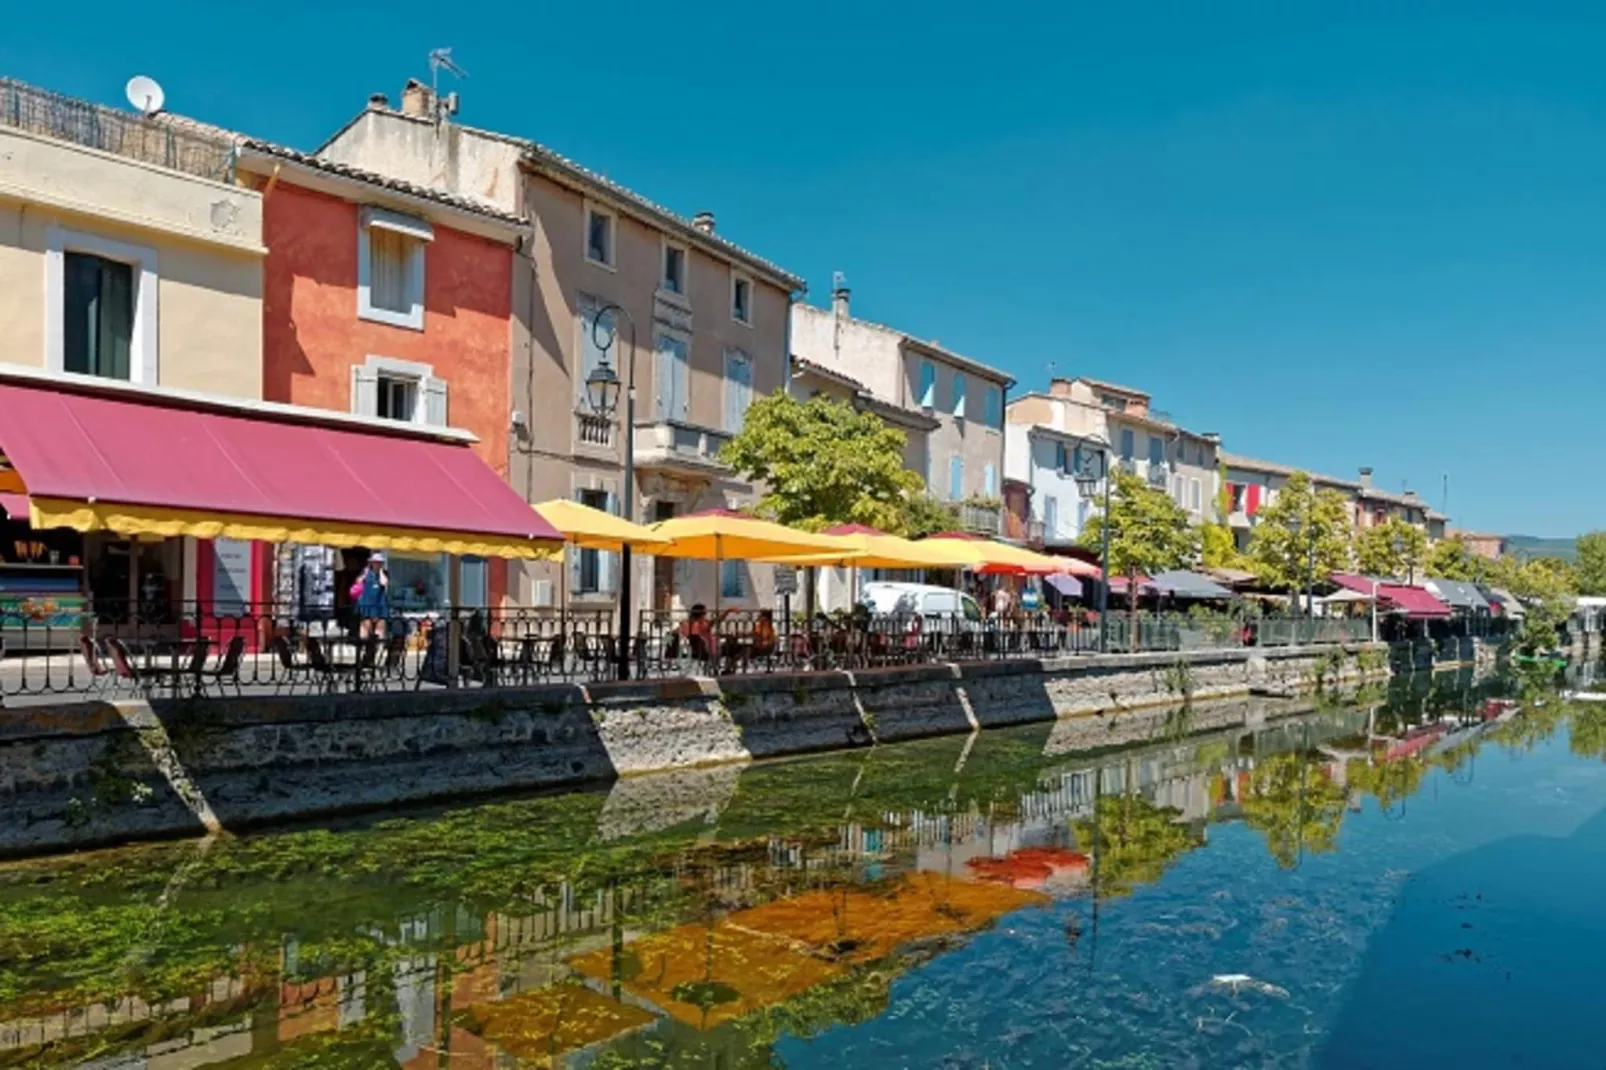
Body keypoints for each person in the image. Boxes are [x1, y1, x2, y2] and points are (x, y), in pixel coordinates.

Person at [354, 552, 389, 638]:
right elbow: (358, 582)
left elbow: (384, 583)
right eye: (375, 562)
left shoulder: (384, 573)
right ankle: (364, 646)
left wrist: (380, 571)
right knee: (365, 627)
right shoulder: (366, 572)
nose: (377, 564)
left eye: (379, 562)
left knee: (380, 627)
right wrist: (365, 573)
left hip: (379, 604)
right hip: (367, 604)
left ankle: (378, 646)